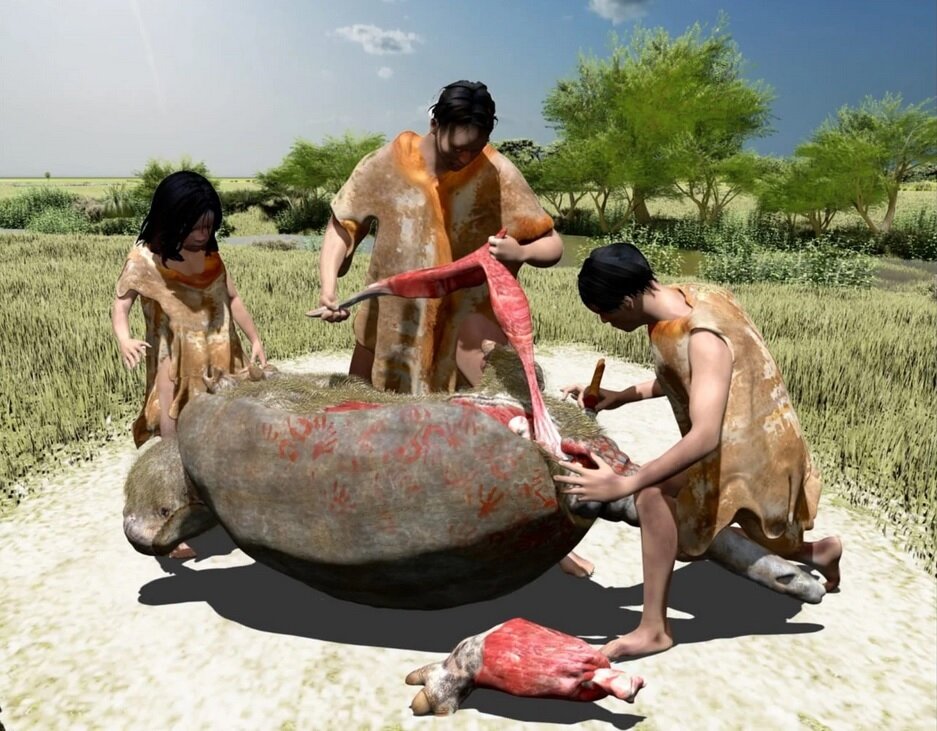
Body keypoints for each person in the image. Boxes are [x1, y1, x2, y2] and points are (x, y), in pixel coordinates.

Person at [315, 80, 592, 578]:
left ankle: (545, 537)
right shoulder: (383, 165)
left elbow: (551, 242)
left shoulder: (496, 171)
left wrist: (522, 253)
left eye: (476, 146)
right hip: (392, 326)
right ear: (434, 123)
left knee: (507, 427)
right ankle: (368, 527)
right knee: (369, 426)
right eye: (457, 146)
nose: (466, 156)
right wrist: (328, 284)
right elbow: (343, 225)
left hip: (468, 325)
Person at [555, 242, 843, 658]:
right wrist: (622, 396)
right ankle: (820, 552)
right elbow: (694, 379)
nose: (603, 320)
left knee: (653, 494)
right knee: (744, 530)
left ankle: (654, 629)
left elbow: (705, 433)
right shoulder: (687, 297)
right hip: (745, 437)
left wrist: (624, 483)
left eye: (605, 310)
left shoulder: (703, 334)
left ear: (631, 298)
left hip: (753, 450)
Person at [112, 171, 267, 557]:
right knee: (175, 442)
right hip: (175, 362)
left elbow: (233, 299)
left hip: (221, 355)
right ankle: (166, 526)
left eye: (209, 225)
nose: (203, 233)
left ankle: (220, 510)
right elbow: (121, 303)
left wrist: (255, 338)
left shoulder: (212, 256)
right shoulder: (144, 260)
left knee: (226, 435)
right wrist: (124, 337)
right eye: (195, 226)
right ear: (171, 218)